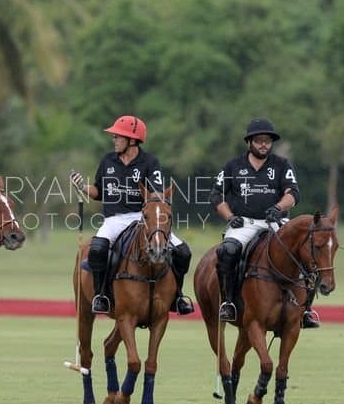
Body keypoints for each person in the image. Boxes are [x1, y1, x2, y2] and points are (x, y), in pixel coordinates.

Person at [70, 115, 194, 316]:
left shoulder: (149, 162)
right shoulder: (107, 161)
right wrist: (82, 186)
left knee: (183, 252)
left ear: (132, 140)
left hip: (141, 218)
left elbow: (156, 193)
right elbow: (98, 192)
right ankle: (101, 296)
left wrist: (156, 207)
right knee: (98, 249)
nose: (114, 139)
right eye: (115, 136)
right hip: (114, 220)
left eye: (118, 136)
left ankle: (177, 296)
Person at [210, 117, 319, 327]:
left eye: (267, 141)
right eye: (259, 140)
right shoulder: (233, 166)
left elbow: (293, 193)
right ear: (249, 142)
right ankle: (229, 302)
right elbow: (216, 195)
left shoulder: (281, 165)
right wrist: (230, 217)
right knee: (228, 251)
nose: (263, 144)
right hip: (244, 223)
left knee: (307, 252)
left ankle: (306, 309)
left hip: (276, 222)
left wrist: (278, 207)